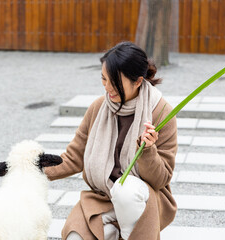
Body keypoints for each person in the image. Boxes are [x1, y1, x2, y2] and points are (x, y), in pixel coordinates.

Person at [43, 41, 178, 240]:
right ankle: (114, 232)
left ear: (138, 81)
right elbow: (73, 158)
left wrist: (148, 151)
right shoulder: (99, 108)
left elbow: (161, 179)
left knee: (126, 190)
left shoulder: (161, 113)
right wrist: (31, 170)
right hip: (103, 197)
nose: (108, 88)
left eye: (115, 83)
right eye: (104, 80)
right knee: (75, 237)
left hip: (143, 200)